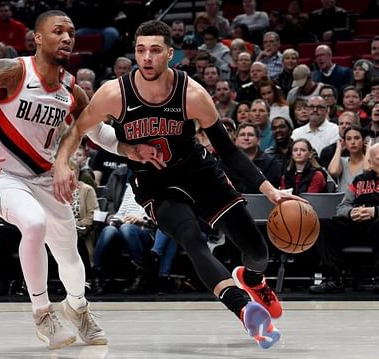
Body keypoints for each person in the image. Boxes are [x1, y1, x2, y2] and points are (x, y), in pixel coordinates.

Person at [54, 20, 305, 349]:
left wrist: (269, 190)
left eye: (155, 50)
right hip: (155, 182)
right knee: (191, 238)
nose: (146, 58)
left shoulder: (193, 94)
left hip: (198, 171)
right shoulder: (114, 93)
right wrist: (62, 163)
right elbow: (79, 128)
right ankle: (245, 311)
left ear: (170, 54)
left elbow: (228, 150)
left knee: (256, 250)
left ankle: (253, 279)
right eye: (141, 50)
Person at [0, 10, 107, 350]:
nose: (66, 38)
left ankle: (77, 307)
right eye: (58, 31)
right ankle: (42, 313)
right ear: (38, 38)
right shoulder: (11, 70)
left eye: (71, 33)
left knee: (69, 255)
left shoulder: (71, 88)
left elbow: (96, 130)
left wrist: (133, 148)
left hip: (45, 177)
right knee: (33, 224)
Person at [309, 143, 379, 294]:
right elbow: (341, 207)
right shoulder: (359, 180)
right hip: (357, 226)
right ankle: (334, 278)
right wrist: (351, 212)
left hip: (376, 227)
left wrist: (375, 211)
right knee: (324, 224)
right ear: (371, 162)